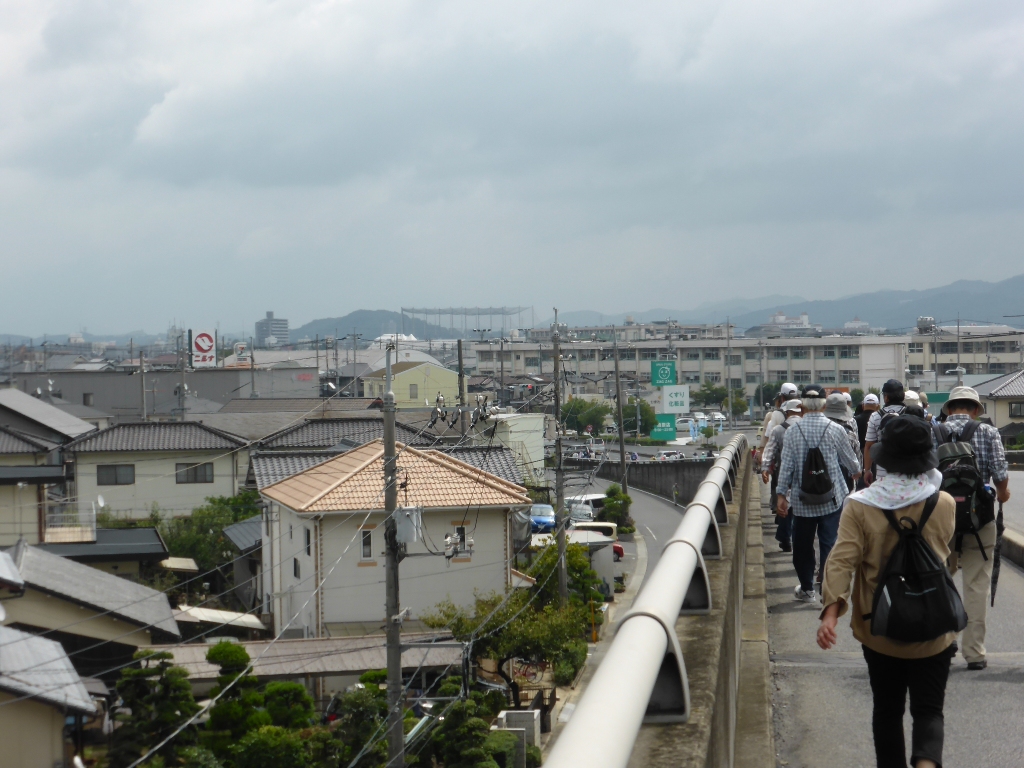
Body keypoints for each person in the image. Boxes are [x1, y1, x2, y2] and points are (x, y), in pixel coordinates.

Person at [817, 415, 956, 768]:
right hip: (934, 625)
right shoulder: (943, 503)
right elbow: (945, 554)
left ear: (885, 459)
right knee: (929, 710)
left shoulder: (860, 505)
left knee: (887, 711)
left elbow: (841, 561)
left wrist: (831, 613)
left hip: (879, 627)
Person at [938, 386, 1011, 670]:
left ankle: (944, 642)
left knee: (940, 580)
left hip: (940, 519)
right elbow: (1000, 473)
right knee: (977, 585)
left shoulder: (934, 432)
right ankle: (975, 653)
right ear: (976, 410)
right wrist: (1002, 493)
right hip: (979, 520)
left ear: (949, 409)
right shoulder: (988, 432)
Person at [776, 384, 861, 601]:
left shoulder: (792, 432)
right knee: (829, 543)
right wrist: (856, 472)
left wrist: (781, 494)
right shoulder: (835, 429)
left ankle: (807, 588)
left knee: (803, 546)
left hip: (802, 499)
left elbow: (786, 466)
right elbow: (851, 461)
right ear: (824, 405)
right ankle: (827, 587)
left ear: (802, 406)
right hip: (832, 497)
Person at [761, 399, 802, 551]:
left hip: (785, 471)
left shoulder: (778, 430)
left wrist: (765, 469)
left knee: (785, 503)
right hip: (806, 473)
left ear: (787, 412)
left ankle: (785, 537)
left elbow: (769, 450)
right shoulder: (808, 427)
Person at [863, 380, 907, 484]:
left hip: (883, 473)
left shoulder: (875, 416)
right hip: (907, 472)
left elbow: (869, 446)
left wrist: (867, 470)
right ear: (903, 396)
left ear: (886, 397)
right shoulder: (910, 414)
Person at [824, 392, 861, 491]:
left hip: (820, 479)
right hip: (845, 480)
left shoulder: (818, 430)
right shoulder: (849, 433)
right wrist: (857, 471)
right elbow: (856, 454)